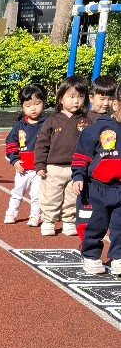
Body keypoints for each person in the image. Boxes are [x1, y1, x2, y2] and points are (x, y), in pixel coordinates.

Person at [72, 83, 121, 276]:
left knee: (120, 226)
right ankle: (91, 255)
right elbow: (82, 155)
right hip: (97, 188)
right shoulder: (98, 128)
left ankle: (118, 258)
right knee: (96, 224)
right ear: (116, 105)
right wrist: (78, 175)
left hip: (120, 188)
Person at [34, 75, 89, 236]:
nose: (76, 101)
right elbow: (41, 144)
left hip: (76, 169)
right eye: (71, 96)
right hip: (53, 168)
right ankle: (48, 221)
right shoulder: (52, 121)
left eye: (80, 96)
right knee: (51, 197)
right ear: (61, 99)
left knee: (72, 197)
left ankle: (69, 221)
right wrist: (40, 164)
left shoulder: (86, 121)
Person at [73, 74, 116, 240]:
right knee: (88, 218)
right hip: (90, 180)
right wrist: (78, 174)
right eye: (102, 98)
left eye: (110, 99)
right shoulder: (85, 120)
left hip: (112, 181)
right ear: (91, 98)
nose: (106, 103)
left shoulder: (116, 122)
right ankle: (87, 245)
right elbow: (80, 150)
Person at [3, 83, 47, 226]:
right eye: (28, 105)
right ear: (22, 107)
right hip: (22, 169)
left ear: (44, 103)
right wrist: (15, 160)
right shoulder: (19, 126)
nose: (33, 108)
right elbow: (10, 144)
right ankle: (11, 212)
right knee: (17, 192)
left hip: (39, 169)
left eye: (37, 104)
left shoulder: (48, 124)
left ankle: (35, 215)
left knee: (36, 194)